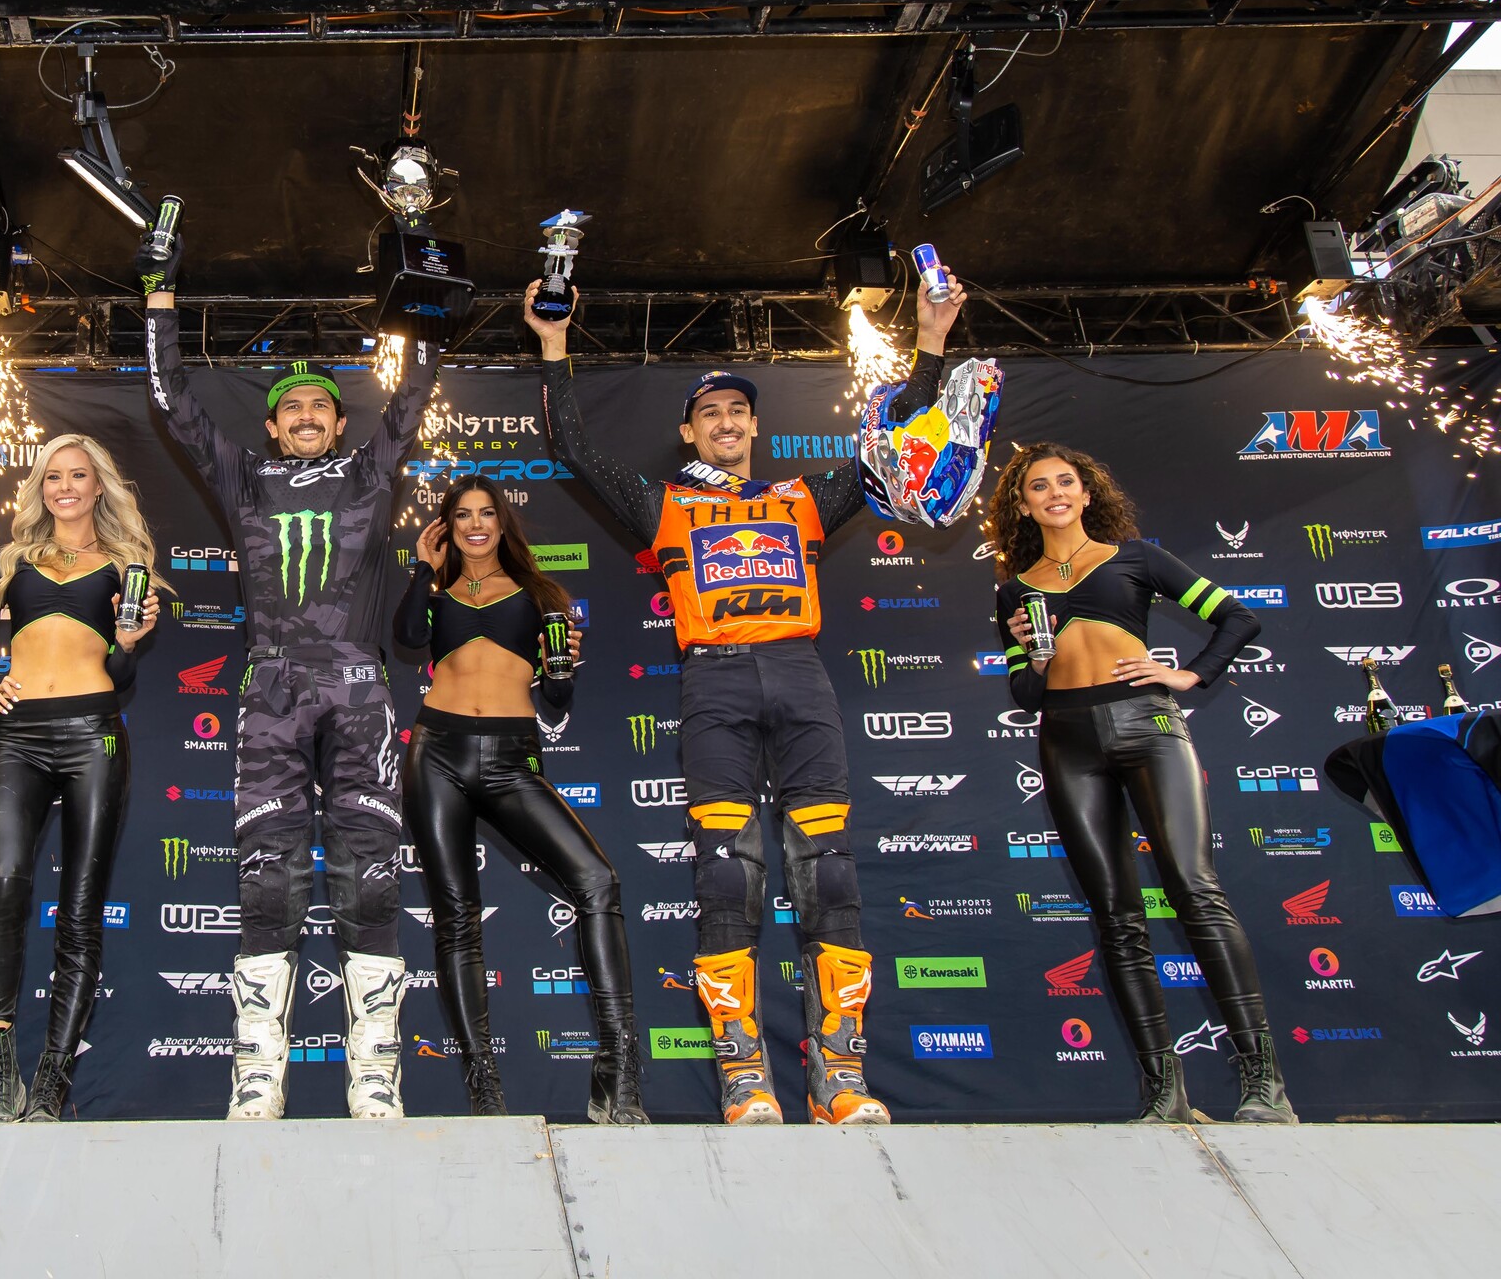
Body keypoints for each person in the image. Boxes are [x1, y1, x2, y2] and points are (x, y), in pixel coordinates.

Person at [526, 277, 961, 1127]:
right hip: (715, 681)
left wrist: (935, 341)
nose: (726, 424)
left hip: (800, 674)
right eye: (710, 415)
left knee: (830, 873)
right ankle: (744, 1078)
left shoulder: (804, 499)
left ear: (756, 426)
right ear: (689, 432)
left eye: (738, 413)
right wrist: (552, 344)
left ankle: (839, 1078)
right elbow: (574, 448)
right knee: (727, 876)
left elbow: (900, 439)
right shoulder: (666, 505)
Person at [139, 219, 440, 1120]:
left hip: (358, 691)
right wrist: (159, 297)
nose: (306, 417)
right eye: (290, 409)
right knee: (265, 879)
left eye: (320, 407)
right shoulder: (242, 478)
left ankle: (374, 1081)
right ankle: (257, 1081)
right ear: (270, 425)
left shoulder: (371, 469)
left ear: (341, 422)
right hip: (270, 689)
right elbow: (172, 400)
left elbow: (417, 387)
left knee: (373, 875)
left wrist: (421, 285)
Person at [990, 443, 1293, 1124]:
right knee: (1117, 919)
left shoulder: (1136, 558)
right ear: (1023, 504)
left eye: (1066, 482)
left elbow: (1238, 618)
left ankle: (1265, 1085)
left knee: (1195, 889)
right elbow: (1024, 694)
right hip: (1066, 741)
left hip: (1148, 728)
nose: (1055, 494)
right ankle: (1166, 1096)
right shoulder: (1016, 589)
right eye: (1039, 487)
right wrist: (1034, 655)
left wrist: (1187, 674)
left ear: (1088, 492)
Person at [394, 478, 645, 1123]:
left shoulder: (543, 595)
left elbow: (557, 698)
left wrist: (564, 667)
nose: (476, 525)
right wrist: (424, 568)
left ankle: (616, 1076)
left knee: (596, 882)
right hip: (437, 753)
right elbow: (404, 636)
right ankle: (485, 1091)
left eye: (486, 514)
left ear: (503, 524)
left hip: (512, 758)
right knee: (457, 918)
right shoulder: (435, 590)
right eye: (461, 516)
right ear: (446, 527)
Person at [0, 434, 161, 1123]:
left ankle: (54, 1081)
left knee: (81, 908)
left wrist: (126, 646)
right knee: (4, 888)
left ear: (100, 487)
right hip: (20, 736)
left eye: (79, 476)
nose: (65, 487)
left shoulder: (129, 566)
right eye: (54, 476)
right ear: (41, 488)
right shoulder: (11, 563)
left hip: (95, 735)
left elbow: (122, 681)